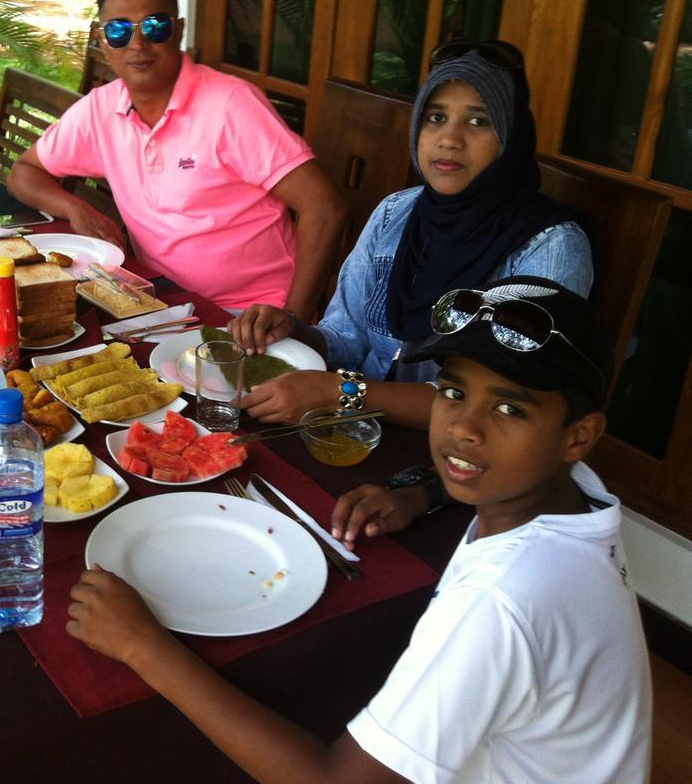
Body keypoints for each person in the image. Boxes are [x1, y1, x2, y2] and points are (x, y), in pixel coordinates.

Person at [69, 277, 651, 782]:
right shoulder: (577, 494)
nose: (464, 428)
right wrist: (421, 490)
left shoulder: (503, 603)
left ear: (579, 434)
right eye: (452, 392)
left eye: (510, 409)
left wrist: (141, 647)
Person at [229, 40, 593, 428]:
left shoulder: (550, 246)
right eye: (436, 117)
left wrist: (344, 394)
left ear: (511, 138)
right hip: (355, 429)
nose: (449, 139)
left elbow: (503, 405)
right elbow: (346, 341)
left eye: (478, 121)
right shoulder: (396, 213)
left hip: (458, 460)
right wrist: (292, 329)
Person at [7, 0, 346, 316]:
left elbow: (325, 206)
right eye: (120, 31)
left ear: (179, 31)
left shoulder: (231, 105)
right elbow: (25, 171)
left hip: (252, 314)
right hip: (160, 303)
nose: (138, 44)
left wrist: (293, 319)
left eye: (155, 27)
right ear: (103, 41)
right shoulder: (101, 109)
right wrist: (75, 207)